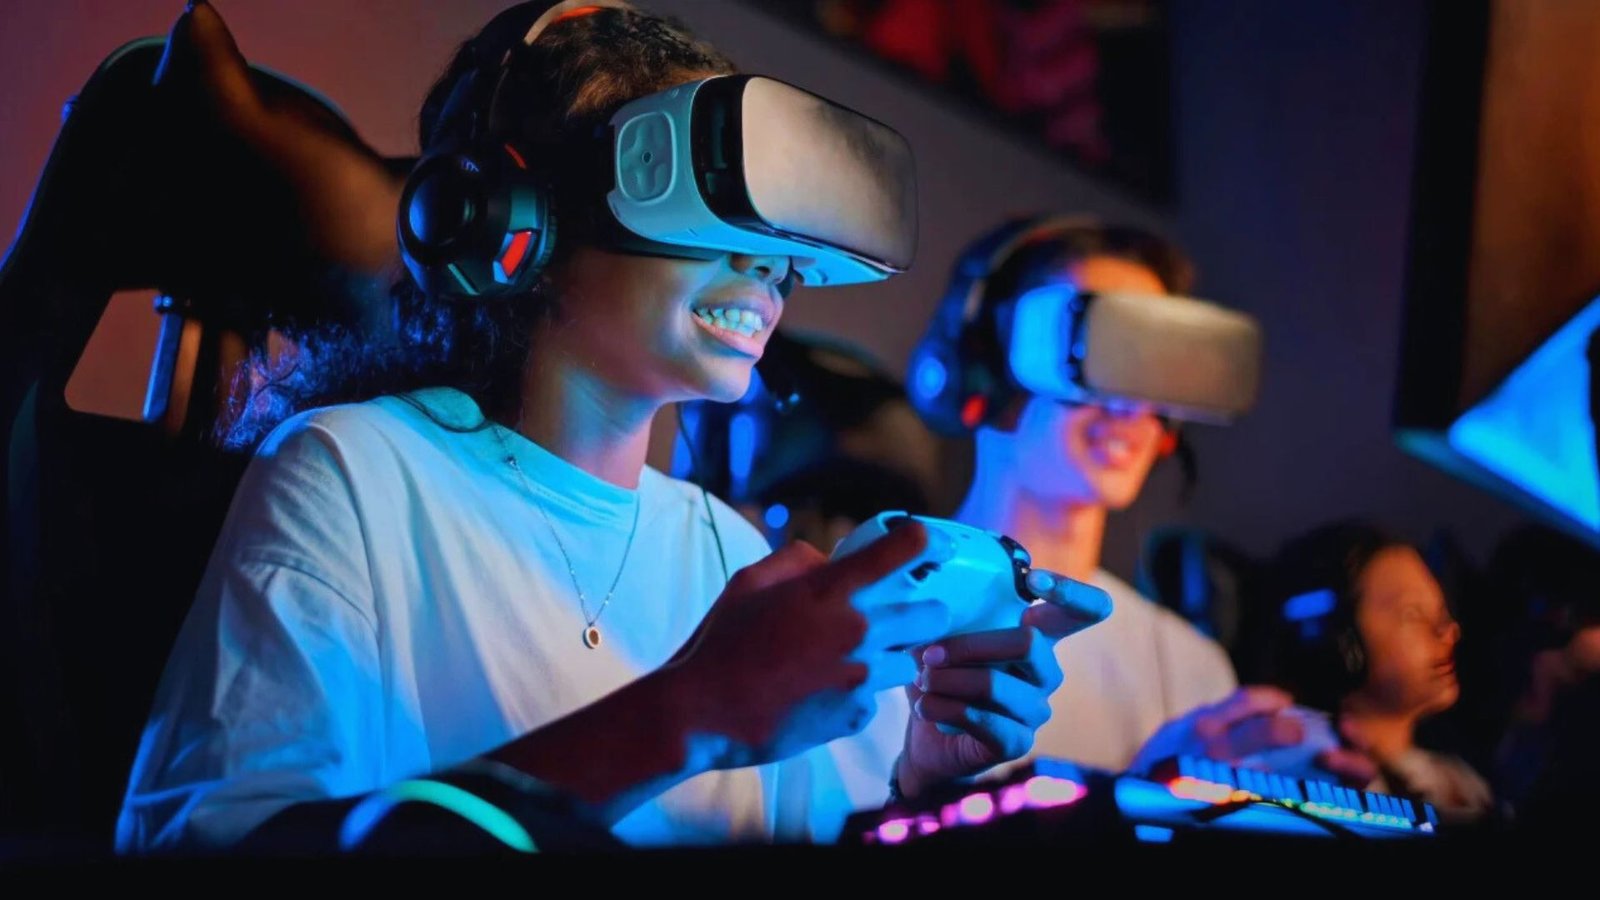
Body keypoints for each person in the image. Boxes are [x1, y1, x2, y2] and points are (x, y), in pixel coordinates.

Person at [117, 1, 1097, 854]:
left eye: (774, 232)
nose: (768, 267)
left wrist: (924, 780)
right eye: (709, 198)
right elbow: (217, 852)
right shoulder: (355, 475)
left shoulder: (725, 546)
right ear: (511, 218)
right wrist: (694, 710)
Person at [906, 216, 1374, 781]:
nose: (1131, 408)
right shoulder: (880, 612)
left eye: (1152, 365)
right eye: (1095, 352)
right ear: (982, 367)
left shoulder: (1191, 667)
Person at [1263, 521, 1493, 824]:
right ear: (1336, 643)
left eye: (1442, 613)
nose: (1448, 631)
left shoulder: (1460, 779)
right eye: (1413, 613)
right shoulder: (1296, 773)